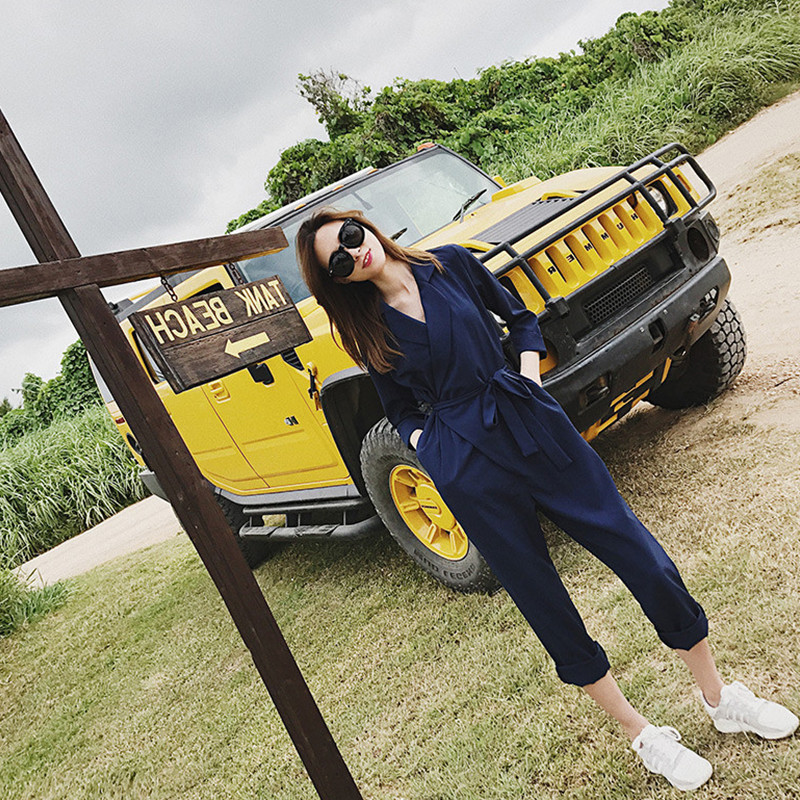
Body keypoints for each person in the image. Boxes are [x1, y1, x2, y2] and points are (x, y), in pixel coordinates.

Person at [296, 208, 797, 792]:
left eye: (349, 236)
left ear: (363, 226)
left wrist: (529, 381)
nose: (353, 253)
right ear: (337, 281)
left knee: (636, 550)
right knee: (542, 598)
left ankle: (719, 697)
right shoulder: (367, 330)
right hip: (466, 464)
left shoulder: (450, 264)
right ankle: (642, 734)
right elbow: (399, 409)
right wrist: (429, 447)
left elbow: (520, 318)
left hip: (528, 419)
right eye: (338, 261)